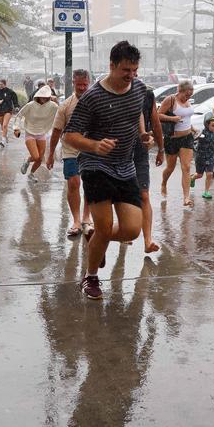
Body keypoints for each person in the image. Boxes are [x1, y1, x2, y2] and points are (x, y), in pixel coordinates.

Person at [63, 40, 148, 300]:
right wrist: (95, 145)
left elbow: (136, 114)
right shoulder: (93, 97)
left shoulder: (139, 89)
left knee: (132, 230)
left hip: (125, 166)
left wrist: (143, 135)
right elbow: (70, 135)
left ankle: (94, 240)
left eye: (134, 70)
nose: (131, 76)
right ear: (111, 65)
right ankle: (90, 278)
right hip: (95, 165)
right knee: (105, 224)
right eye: (126, 70)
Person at [47, 69, 94, 237]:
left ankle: (86, 217)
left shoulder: (96, 102)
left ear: (89, 83)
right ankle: (76, 220)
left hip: (91, 148)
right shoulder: (65, 105)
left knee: (89, 182)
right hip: (70, 149)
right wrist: (51, 153)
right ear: (73, 83)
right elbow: (56, 131)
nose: (82, 88)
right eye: (78, 84)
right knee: (73, 183)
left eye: (85, 85)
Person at [132, 87, 164, 252]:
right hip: (119, 152)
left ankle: (147, 241)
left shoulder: (147, 94)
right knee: (123, 196)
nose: (131, 75)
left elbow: (156, 122)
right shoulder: (115, 92)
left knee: (144, 194)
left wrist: (161, 149)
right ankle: (125, 231)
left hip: (141, 152)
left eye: (134, 71)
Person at [158, 80, 196, 208]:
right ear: (180, 91)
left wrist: (192, 127)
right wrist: (172, 119)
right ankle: (164, 183)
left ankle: (186, 198)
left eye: (190, 95)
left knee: (186, 167)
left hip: (187, 137)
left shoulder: (188, 101)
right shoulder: (170, 100)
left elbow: (186, 117)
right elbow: (158, 115)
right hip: (172, 139)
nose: (188, 97)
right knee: (170, 168)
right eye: (186, 95)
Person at [12, 85, 59, 183]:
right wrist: (16, 128)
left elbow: (62, 112)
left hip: (42, 133)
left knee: (40, 159)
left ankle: (31, 174)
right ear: (38, 96)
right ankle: (27, 161)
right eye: (42, 97)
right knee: (36, 156)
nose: (44, 99)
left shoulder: (52, 106)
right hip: (30, 132)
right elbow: (19, 116)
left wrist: (57, 101)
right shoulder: (30, 105)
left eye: (46, 97)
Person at [190, 112, 214, 199]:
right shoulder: (202, 134)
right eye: (213, 125)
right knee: (199, 175)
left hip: (210, 158)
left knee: (209, 174)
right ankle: (192, 178)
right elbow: (195, 137)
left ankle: (206, 192)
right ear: (207, 125)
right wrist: (193, 131)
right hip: (201, 158)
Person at [0, 79, 19, 147]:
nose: (0, 86)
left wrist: (16, 106)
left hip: (8, 110)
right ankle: (5, 136)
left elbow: (15, 99)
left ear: (5, 84)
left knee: (5, 125)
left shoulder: (10, 92)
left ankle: (3, 141)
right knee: (2, 126)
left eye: (1, 84)